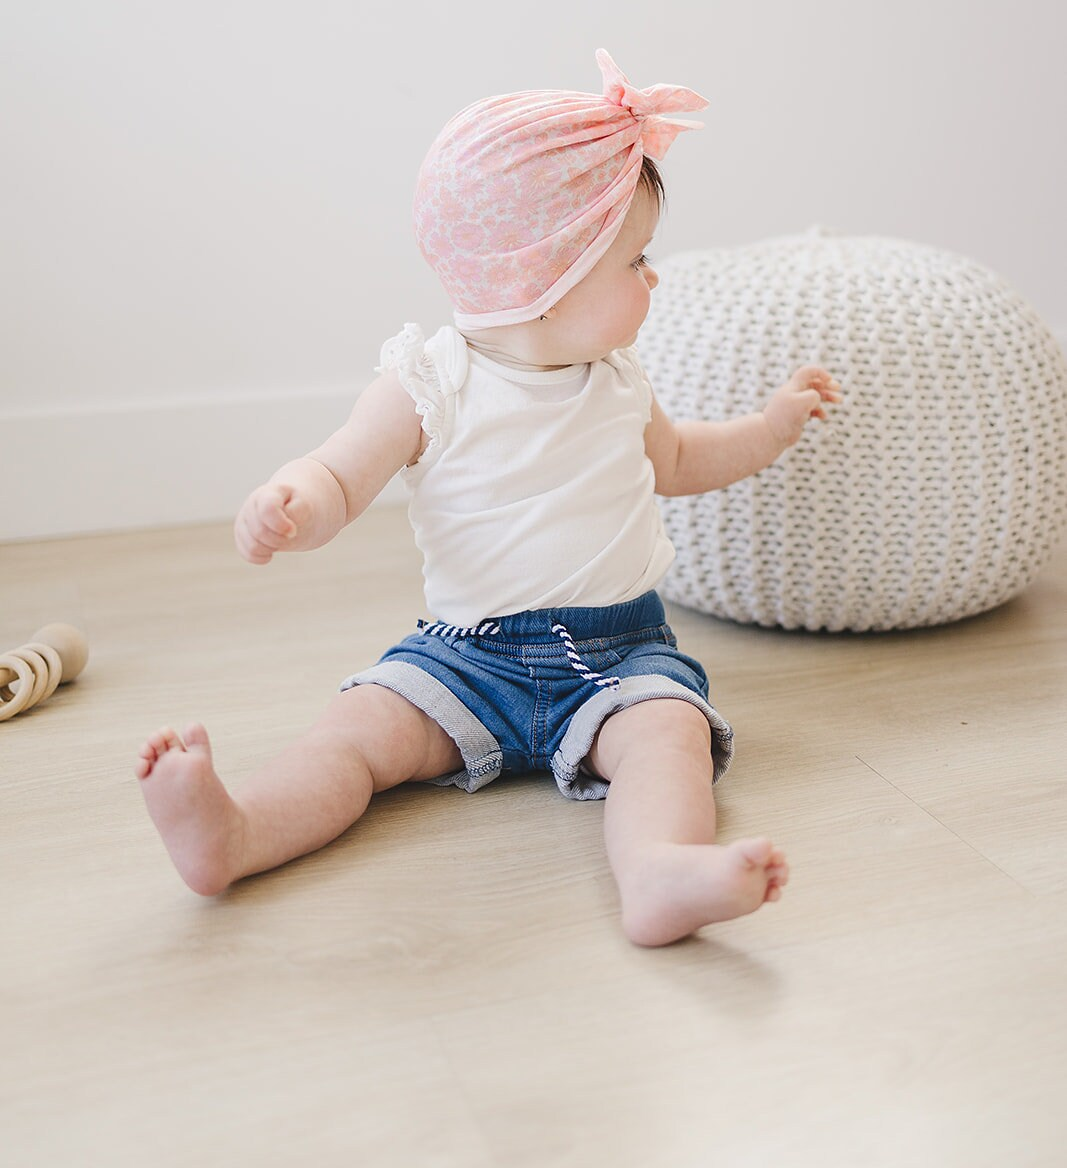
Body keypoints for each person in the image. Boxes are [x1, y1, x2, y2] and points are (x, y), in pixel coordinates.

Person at [136, 49, 840, 946]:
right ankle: (236, 830)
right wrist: (294, 502)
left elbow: (679, 460)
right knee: (351, 737)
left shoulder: (617, 378)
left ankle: (659, 869)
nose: (652, 278)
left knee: (669, 737)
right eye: (634, 260)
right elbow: (343, 470)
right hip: (462, 658)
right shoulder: (428, 382)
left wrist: (769, 428)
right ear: (541, 279)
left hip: (617, 653)